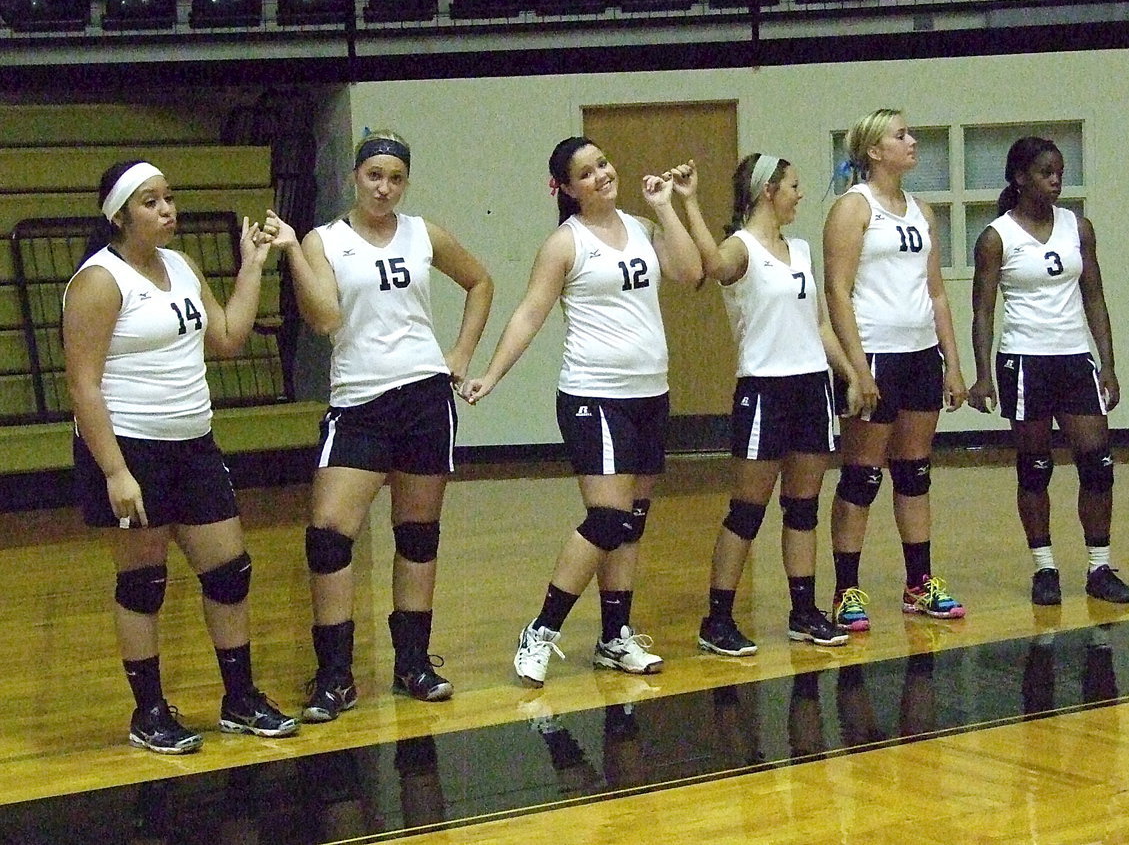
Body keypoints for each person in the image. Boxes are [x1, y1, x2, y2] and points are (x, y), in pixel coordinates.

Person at [63, 160, 299, 754]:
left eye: (168, 198)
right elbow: (83, 386)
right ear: (119, 215)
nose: (167, 210)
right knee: (143, 582)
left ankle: (239, 698)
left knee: (229, 571)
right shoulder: (99, 281)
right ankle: (149, 712)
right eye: (150, 202)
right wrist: (115, 471)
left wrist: (251, 266)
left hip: (194, 444)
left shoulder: (183, 266)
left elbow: (226, 337)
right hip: (130, 448)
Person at [461, 136, 702, 688]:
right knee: (607, 519)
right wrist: (492, 375)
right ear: (567, 189)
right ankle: (542, 630)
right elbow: (529, 315)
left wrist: (668, 205)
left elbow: (690, 274)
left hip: (649, 393)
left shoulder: (642, 227)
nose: (602, 176)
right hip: (595, 396)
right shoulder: (564, 245)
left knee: (630, 524)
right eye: (587, 173)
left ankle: (615, 637)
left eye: (604, 164)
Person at [281, 130, 493, 721]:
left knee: (418, 533)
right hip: (360, 402)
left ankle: (414, 663)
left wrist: (459, 355)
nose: (384, 187)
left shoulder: (424, 233)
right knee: (328, 534)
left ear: (406, 182)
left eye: (395, 177)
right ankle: (333, 675)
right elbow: (324, 319)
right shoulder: (325, 240)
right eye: (374, 175)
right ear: (356, 177)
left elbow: (480, 282)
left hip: (425, 397)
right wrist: (296, 254)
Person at [675, 154, 860, 656]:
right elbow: (712, 267)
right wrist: (690, 202)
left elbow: (819, 323)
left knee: (802, 508)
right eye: (794, 186)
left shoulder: (799, 248)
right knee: (747, 512)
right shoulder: (741, 249)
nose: (801, 195)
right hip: (764, 390)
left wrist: (854, 374)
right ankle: (717, 620)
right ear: (767, 191)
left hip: (811, 388)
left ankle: (803, 611)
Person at [968, 135, 1129, 606]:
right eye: (1046, 172)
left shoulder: (1078, 228)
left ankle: (1099, 567)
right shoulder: (997, 237)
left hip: (1073, 360)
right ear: (1020, 178)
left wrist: (1108, 364)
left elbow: (1095, 296)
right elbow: (982, 311)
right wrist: (983, 374)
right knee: (1035, 468)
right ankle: (1045, 568)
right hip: (1024, 360)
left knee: (1098, 464)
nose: (1056, 180)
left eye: (1060, 171)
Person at [822, 109, 969, 632]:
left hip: (920, 354)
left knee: (914, 471)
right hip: (877, 353)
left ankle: (918, 583)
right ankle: (845, 590)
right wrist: (858, 370)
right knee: (862, 475)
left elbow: (936, 291)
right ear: (873, 151)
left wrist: (953, 364)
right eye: (900, 134)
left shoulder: (922, 213)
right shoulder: (852, 208)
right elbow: (836, 292)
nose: (912, 140)